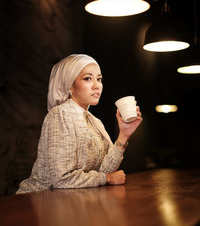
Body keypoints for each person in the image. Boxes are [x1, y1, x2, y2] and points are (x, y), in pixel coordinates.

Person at [16, 54, 142, 194]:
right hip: (36, 202)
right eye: (88, 78)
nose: (96, 86)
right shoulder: (60, 115)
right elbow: (61, 179)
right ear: (69, 85)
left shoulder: (94, 122)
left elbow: (101, 172)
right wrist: (107, 178)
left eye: (99, 79)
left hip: (70, 202)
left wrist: (124, 135)